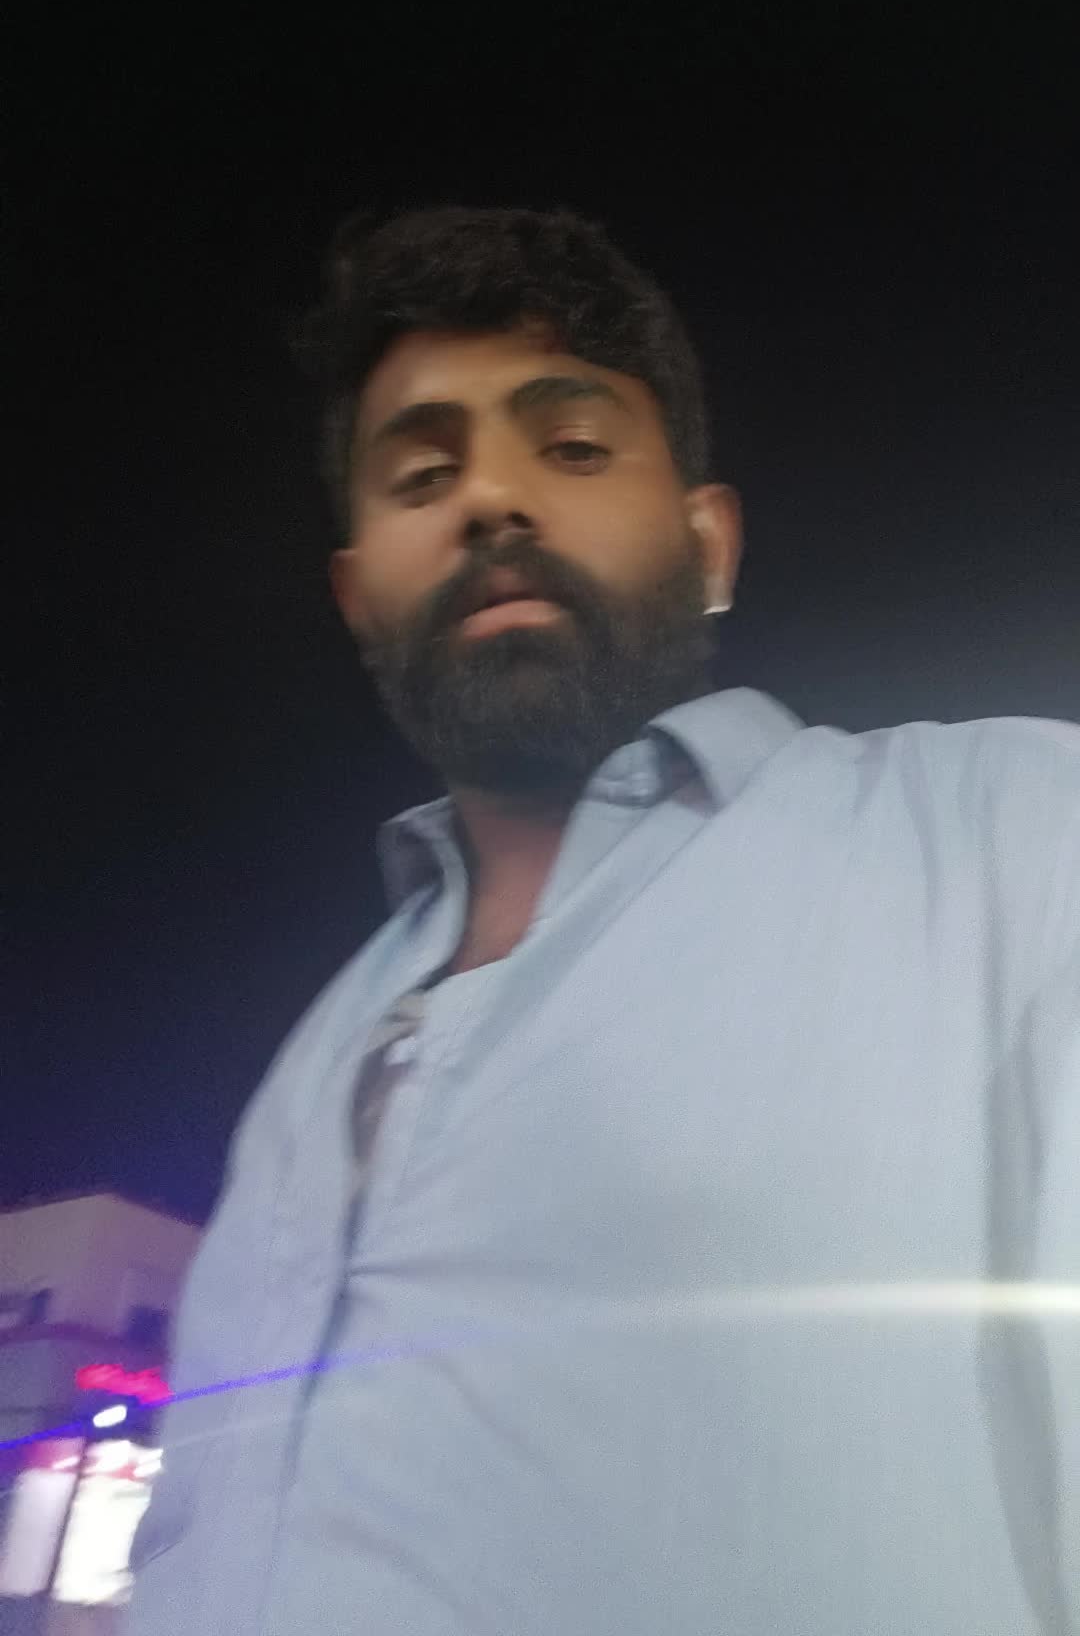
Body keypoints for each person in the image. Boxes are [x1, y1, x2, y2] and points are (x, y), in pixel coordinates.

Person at [123, 207, 1079, 1636]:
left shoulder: (1008, 839)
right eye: (422, 475)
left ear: (710, 542)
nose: (491, 502)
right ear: (358, 598)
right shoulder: (306, 1070)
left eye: (571, 448)